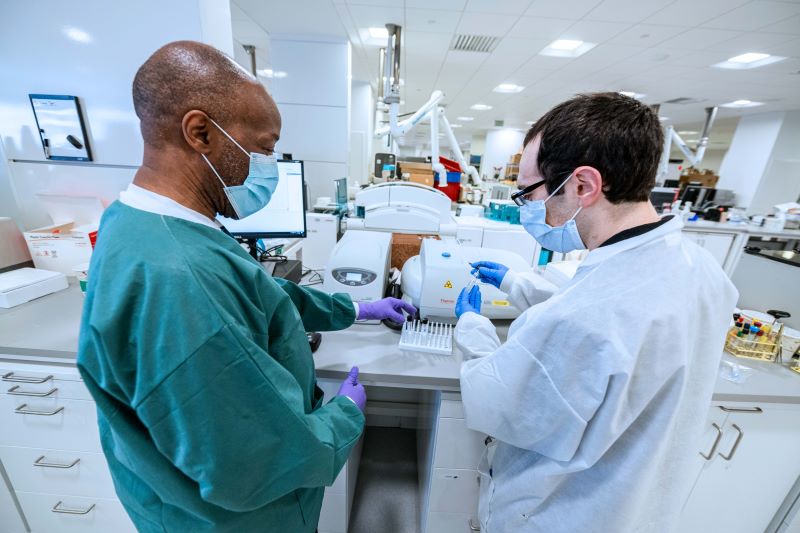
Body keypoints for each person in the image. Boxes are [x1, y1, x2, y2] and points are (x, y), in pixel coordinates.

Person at [77, 41, 415, 533]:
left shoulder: (141, 220)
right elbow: (255, 458)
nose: (271, 166)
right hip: (235, 520)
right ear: (200, 133)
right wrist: (344, 416)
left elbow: (260, 293)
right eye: (264, 147)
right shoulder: (181, 277)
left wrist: (355, 310)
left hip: (171, 498)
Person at [453, 92, 738, 532]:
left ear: (583, 185)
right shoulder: (701, 270)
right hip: (643, 508)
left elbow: (496, 403)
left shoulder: (584, 317)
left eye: (528, 192)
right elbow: (613, 321)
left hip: (561, 513)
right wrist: (515, 283)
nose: (527, 206)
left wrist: (472, 329)